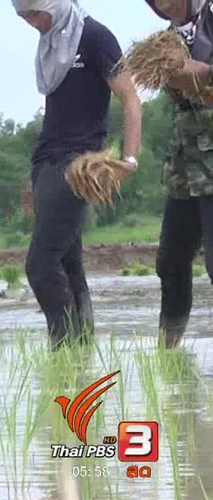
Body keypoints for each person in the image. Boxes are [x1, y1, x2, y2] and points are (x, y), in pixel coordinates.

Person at [14, 0, 142, 349]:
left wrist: (129, 159)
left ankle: (63, 349)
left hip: (78, 165)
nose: (33, 23)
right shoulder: (53, 43)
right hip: (47, 161)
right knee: (69, 264)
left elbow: (130, 98)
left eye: (35, 13)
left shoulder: (95, 36)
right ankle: (81, 353)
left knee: (40, 266)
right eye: (24, 17)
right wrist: (34, 176)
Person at [141, 0, 213, 348]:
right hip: (187, 158)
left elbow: (203, 79)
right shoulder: (166, 42)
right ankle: (167, 352)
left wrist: (194, 73)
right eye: (156, 1)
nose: (165, 5)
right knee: (170, 258)